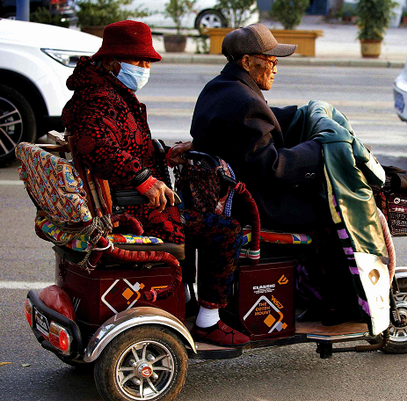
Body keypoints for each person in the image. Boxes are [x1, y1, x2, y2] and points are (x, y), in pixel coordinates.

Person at [61, 20, 250, 347]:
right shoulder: (99, 98)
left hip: (131, 200)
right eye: (138, 62)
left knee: (196, 217)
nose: (145, 68)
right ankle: (208, 320)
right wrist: (144, 179)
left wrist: (164, 153)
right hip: (132, 210)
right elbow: (101, 148)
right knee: (225, 229)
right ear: (111, 62)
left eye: (147, 62)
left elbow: (127, 143)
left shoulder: (110, 91)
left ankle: (187, 302)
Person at [170, 23, 325, 231]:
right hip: (253, 204)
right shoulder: (247, 103)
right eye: (271, 61)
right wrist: (318, 151)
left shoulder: (218, 87)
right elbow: (271, 167)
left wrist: (302, 114)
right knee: (330, 208)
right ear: (247, 61)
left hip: (229, 192)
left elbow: (258, 121)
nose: (275, 70)